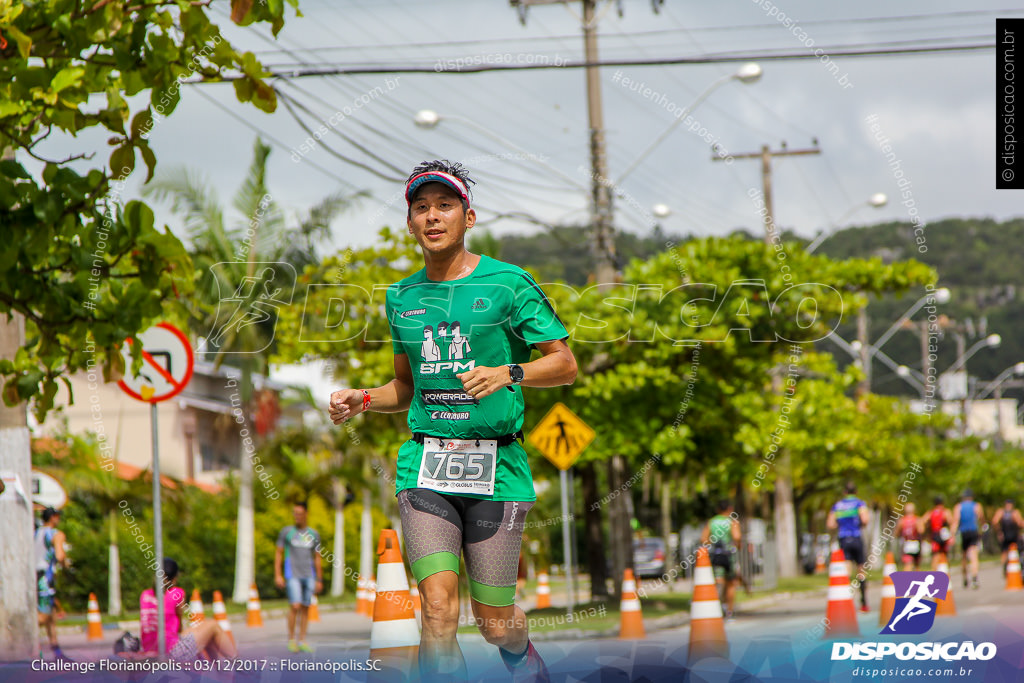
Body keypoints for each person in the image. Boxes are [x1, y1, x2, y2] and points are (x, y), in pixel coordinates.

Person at [329, 160, 577, 683]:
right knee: (438, 613)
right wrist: (364, 399)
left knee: (494, 624)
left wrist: (508, 372)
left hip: (498, 467)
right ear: (410, 223)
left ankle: (526, 661)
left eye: (445, 206)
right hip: (427, 467)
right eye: (422, 208)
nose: (433, 217)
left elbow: (564, 364)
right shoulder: (402, 298)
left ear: (468, 216)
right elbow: (406, 387)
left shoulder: (509, 284)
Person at [139, 558, 236, 661]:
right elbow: (179, 628)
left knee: (206, 633)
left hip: (149, 650)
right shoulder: (176, 593)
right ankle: (239, 664)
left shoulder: (145, 595)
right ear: (175, 578)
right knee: (213, 625)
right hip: (171, 651)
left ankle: (219, 669)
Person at [274, 501, 323, 653]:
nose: (297, 517)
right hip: (292, 574)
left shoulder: (313, 534)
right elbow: (279, 553)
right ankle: (291, 639)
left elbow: (317, 557)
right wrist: (278, 574)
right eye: (295, 513)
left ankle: (302, 640)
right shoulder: (287, 532)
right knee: (295, 606)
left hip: (309, 575)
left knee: (306, 607)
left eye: (300, 514)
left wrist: (319, 579)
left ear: (306, 514)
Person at [826, 481, 871, 612]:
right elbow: (865, 520)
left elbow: (830, 524)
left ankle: (846, 600)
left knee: (846, 571)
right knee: (861, 570)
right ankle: (863, 602)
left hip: (843, 538)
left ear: (844, 492)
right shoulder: (859, 504)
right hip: (856, 537)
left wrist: (841, 524)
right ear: (855, 492)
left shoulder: (838, 506)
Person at [35, 507, 70, 660]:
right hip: (45, 577)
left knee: (51, 617)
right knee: (43, 617)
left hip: (33, 575)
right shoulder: (57, 534)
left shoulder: (36, 532)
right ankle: (33, 649)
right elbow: (59, 554)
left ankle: (57, 651)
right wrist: (65, 563)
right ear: (54, 518)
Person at [700, 499, 742, 619]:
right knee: (731, 584)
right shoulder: (732, 522)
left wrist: (712, 543)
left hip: (716, 555)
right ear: (729, 509)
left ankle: (717, 609)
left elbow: (703, 538)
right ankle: (729, 610)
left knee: (718, 582)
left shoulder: (712, 522)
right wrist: (737, 545)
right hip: (729, 556)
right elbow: (737, 536)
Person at [952, 489, 985, 589]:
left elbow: (956, 521)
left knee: (964, 556)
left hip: (963, 533)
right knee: (973, 555)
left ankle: (965, 577)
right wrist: (983, 526)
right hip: (973, 531)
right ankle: (974, 577)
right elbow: (981, 518)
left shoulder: (958, 507)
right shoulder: (976, 506)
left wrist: (952, 534)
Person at [992, 499, 1024, 575]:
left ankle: (1006, 567)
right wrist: (999, 532)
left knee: (1005, 551)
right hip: (1012, 535)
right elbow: (1020, 523)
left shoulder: (1001, 512)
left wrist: (999, 531)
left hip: (1006, 535)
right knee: (1010, 551)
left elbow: (995, 522)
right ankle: (1008, 567)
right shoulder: (1015, 513)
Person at [925, 495, 954, 564]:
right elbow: (951, 522)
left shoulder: (931, 512)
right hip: (944, 535)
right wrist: (952, 535)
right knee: (945, 555)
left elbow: (923, 522)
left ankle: (934, 573)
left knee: (935, 555)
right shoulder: (946, 512)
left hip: (935, 535)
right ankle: (946, 572)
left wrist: (927, 532)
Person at [897, 502, 925, 570]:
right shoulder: (917, 519)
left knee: (907, 563)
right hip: (915, 542)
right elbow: (921, 530)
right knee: (917, 564)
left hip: (906, 543)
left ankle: (906, 579)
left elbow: (897, 532)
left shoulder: (902, 520)